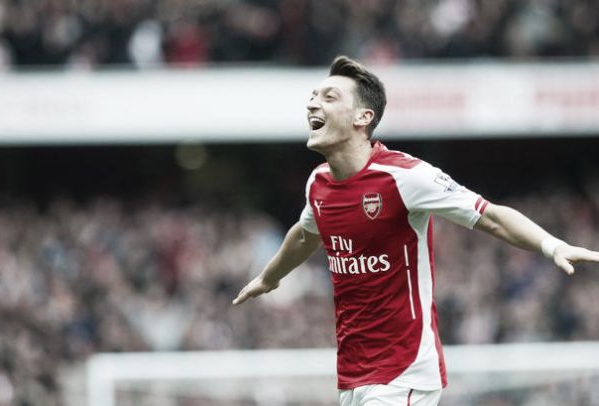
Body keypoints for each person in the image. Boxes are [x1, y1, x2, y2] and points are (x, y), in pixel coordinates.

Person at [232, 55, 599, 406]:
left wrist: (552, 245)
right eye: (313, 96)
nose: (312, 103)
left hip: (403, 371)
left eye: (329, 97)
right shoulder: (318, 184)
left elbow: (490, 216)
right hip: (353, 374)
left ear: (363, 117)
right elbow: (305, 234)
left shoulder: (405, 176)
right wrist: (269, 277)